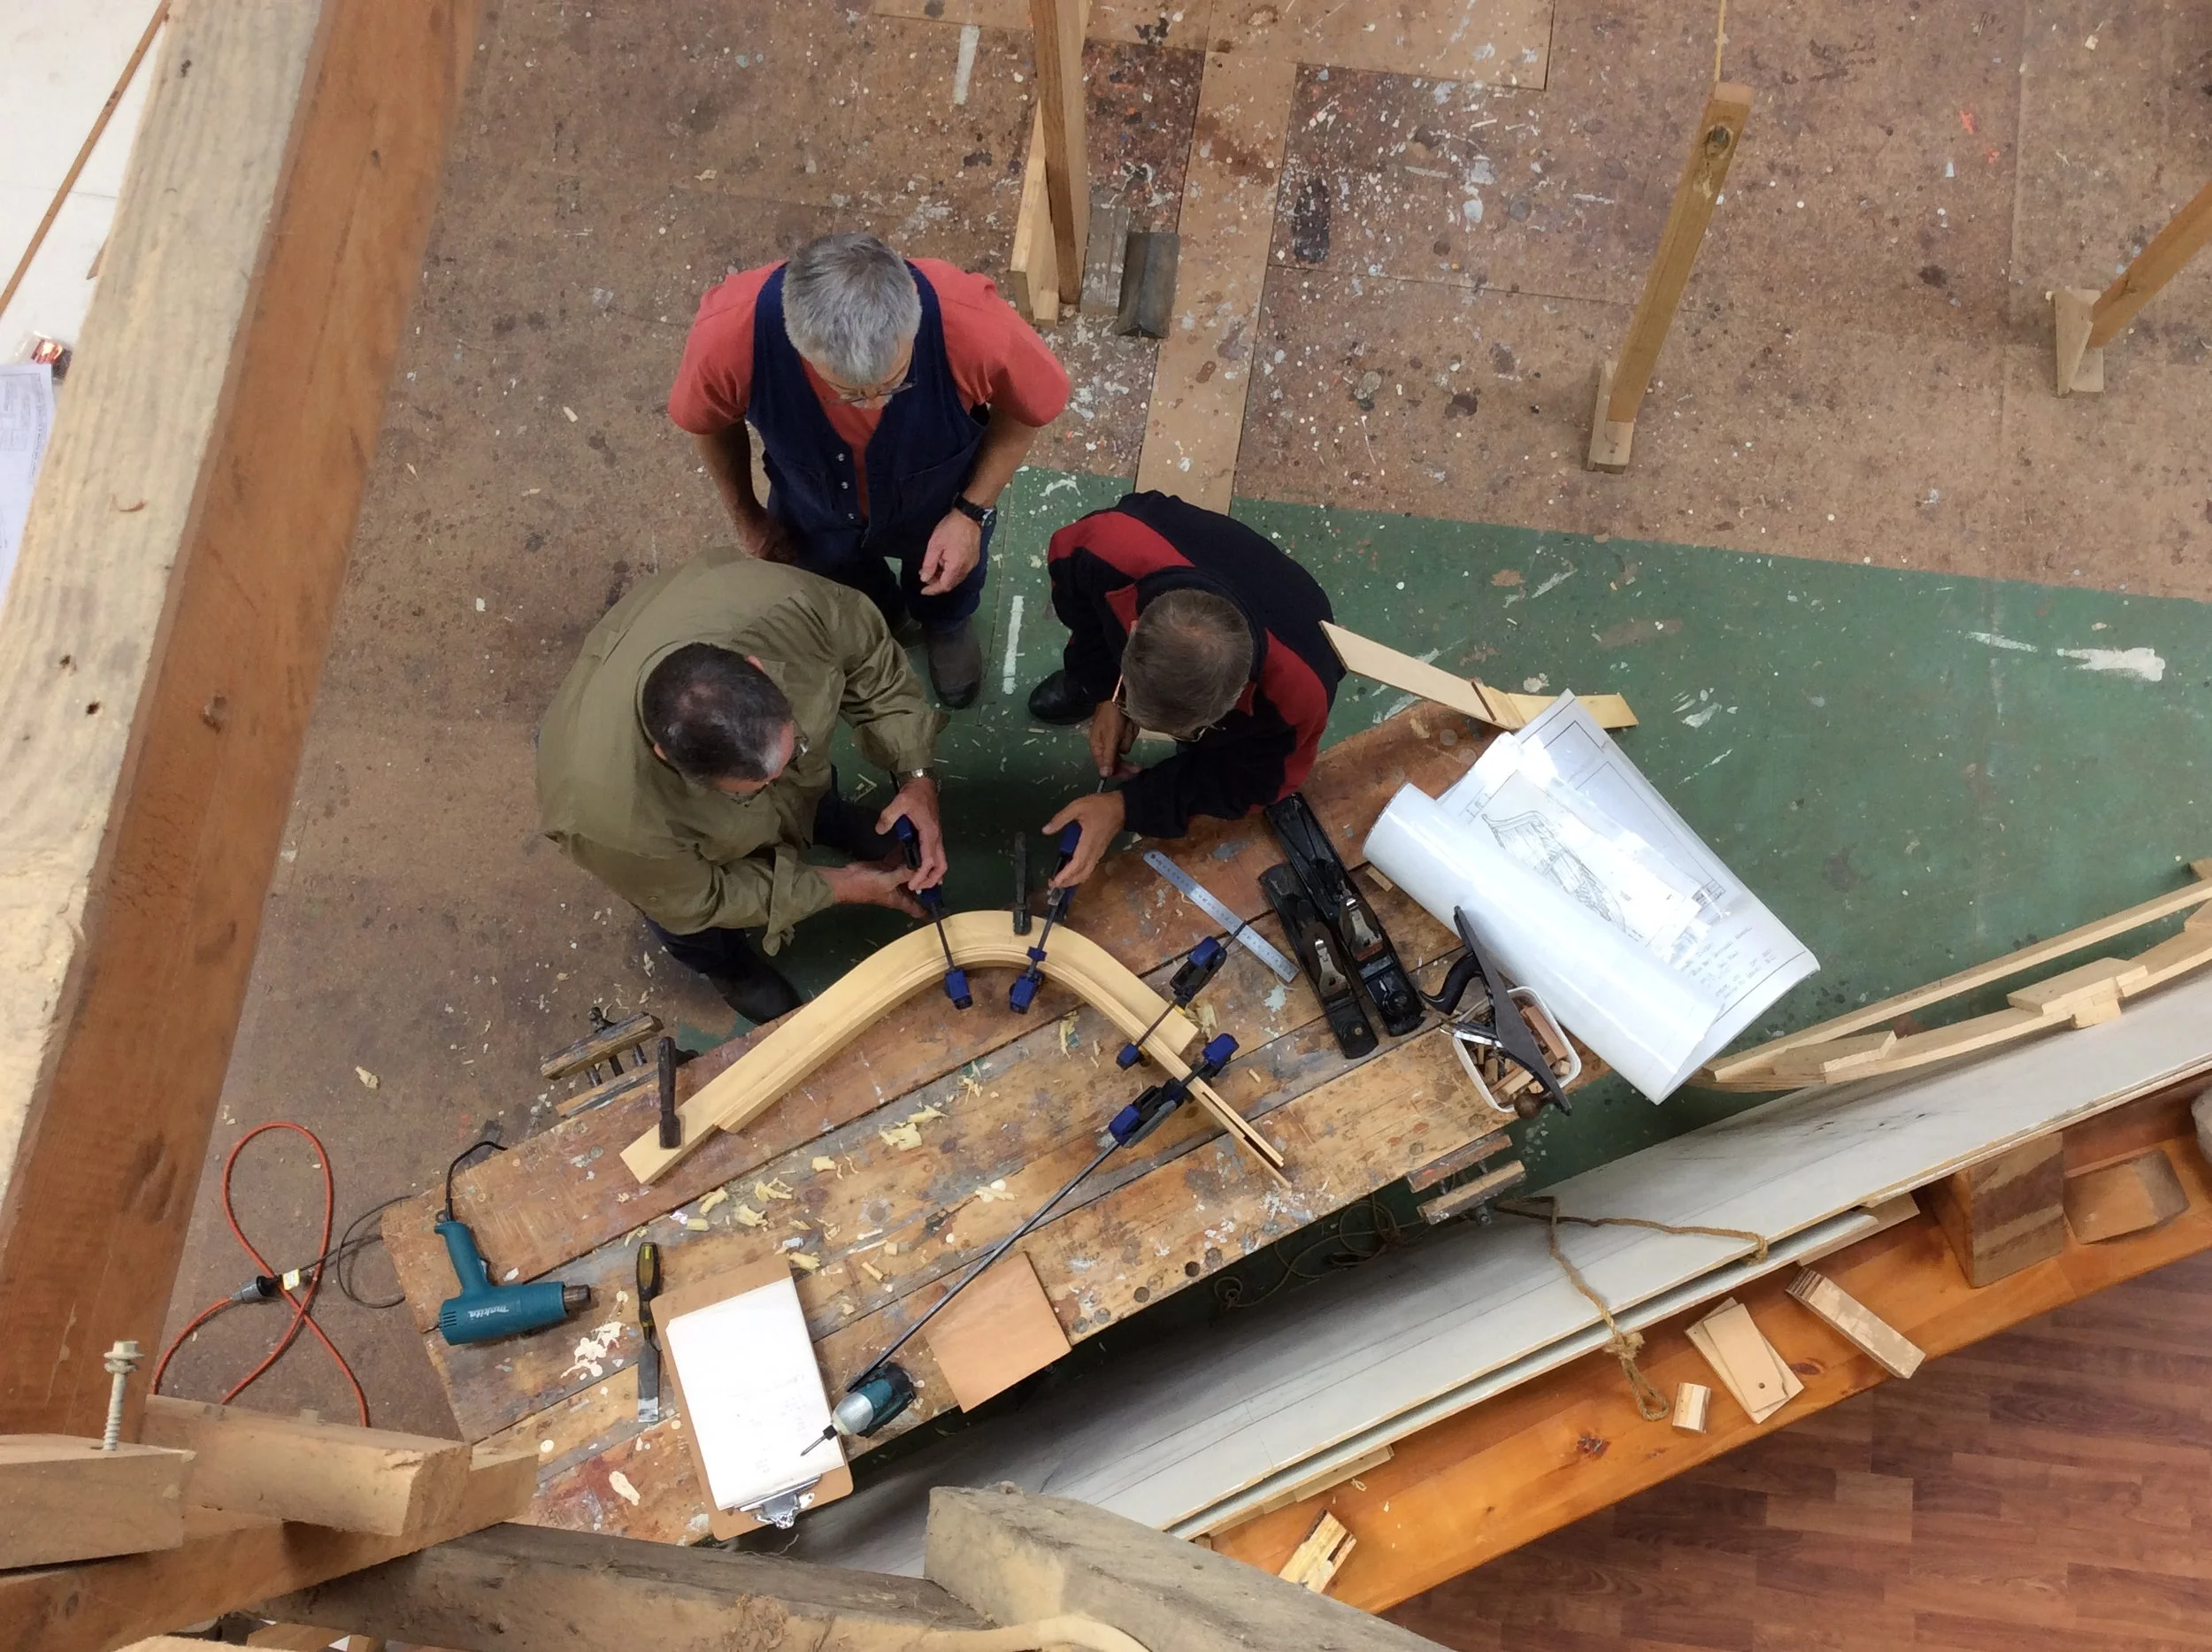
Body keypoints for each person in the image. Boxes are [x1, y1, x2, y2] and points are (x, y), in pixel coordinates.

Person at [536, 552, 949, 1024]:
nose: (779, 778)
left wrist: (915, 776)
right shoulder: (610, 818)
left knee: (800, 788)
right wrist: (838, 887)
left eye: (790, 754)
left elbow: (872, 660)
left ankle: (821, 815)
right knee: (686, 918)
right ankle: (727, 967)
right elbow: (702, 896)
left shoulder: (791, 608)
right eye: (751, 788)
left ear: (757, 667)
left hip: (692, 605)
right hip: (620, 798)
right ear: (667, 758)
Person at [668, 232, 1070, 709]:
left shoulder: (973, 324)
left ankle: (944, 623)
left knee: (948, 575)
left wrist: (970, 512)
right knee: (834, 581)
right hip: (811, 504)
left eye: (896, 383)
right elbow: (709, 424)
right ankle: (876, 623)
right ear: (800, 347)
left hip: (939, 498)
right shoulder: (730, 337)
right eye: (851, 393)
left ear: (912, 320)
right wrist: (746, 515)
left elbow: (1028, 412)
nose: (876, 405)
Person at [1026, 492, 1341, 888]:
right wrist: (1105, 692)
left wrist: (1128, 806)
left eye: (1190, 731)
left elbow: (1254, 784)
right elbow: (1084, 615)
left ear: (1236, 701)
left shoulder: (1299, 694)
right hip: (1160, 561)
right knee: (1090, 672)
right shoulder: (1101, 547)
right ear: (1135, 627)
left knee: (1212, 767)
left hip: (1291, 614)